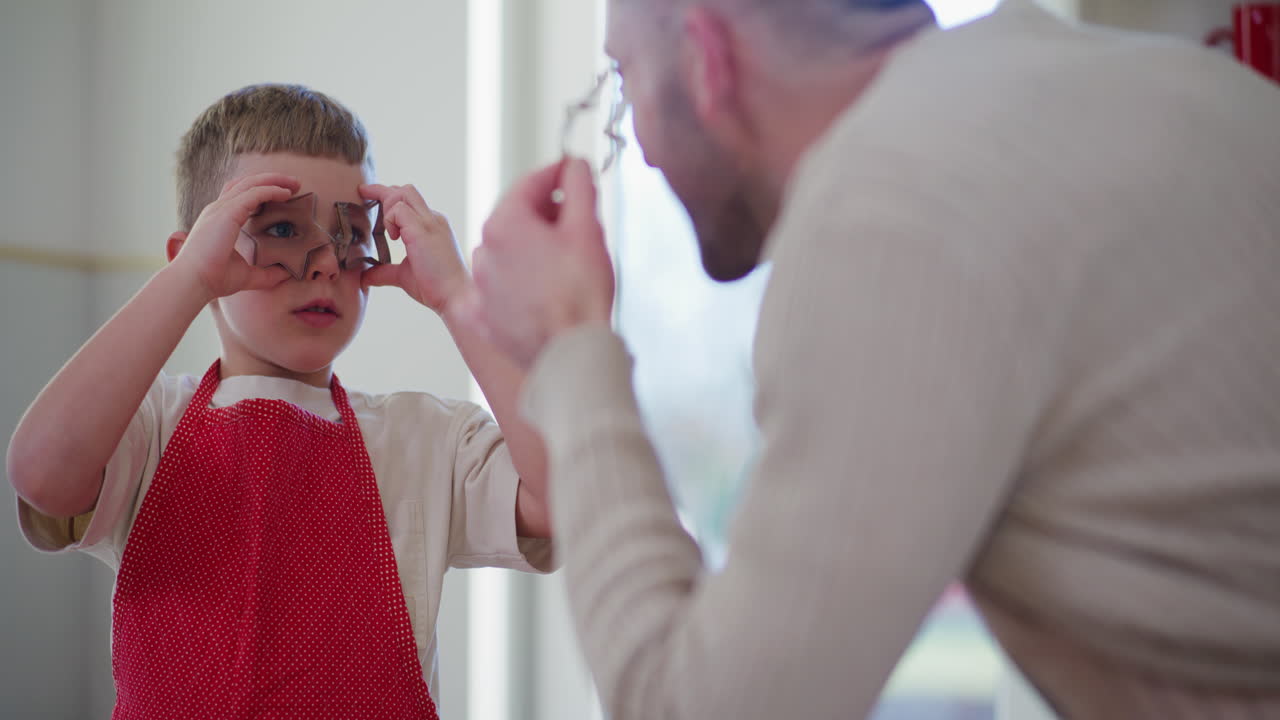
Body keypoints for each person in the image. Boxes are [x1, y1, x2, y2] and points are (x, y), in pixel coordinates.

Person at [460, 0, 1280, 717]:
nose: (634, 142)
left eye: (624, 82)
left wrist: (570, 347)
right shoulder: (1159, 87)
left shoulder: (889, 210)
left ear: (709, 63)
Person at [7, 83, 553, 718]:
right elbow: (42, 473)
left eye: (350, 234)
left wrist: (460, 297)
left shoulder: (426, 444)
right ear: (195, 255)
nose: (323, 263)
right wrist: (186, 283)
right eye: (282, 229)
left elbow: (566, 495)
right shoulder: (144, 427)